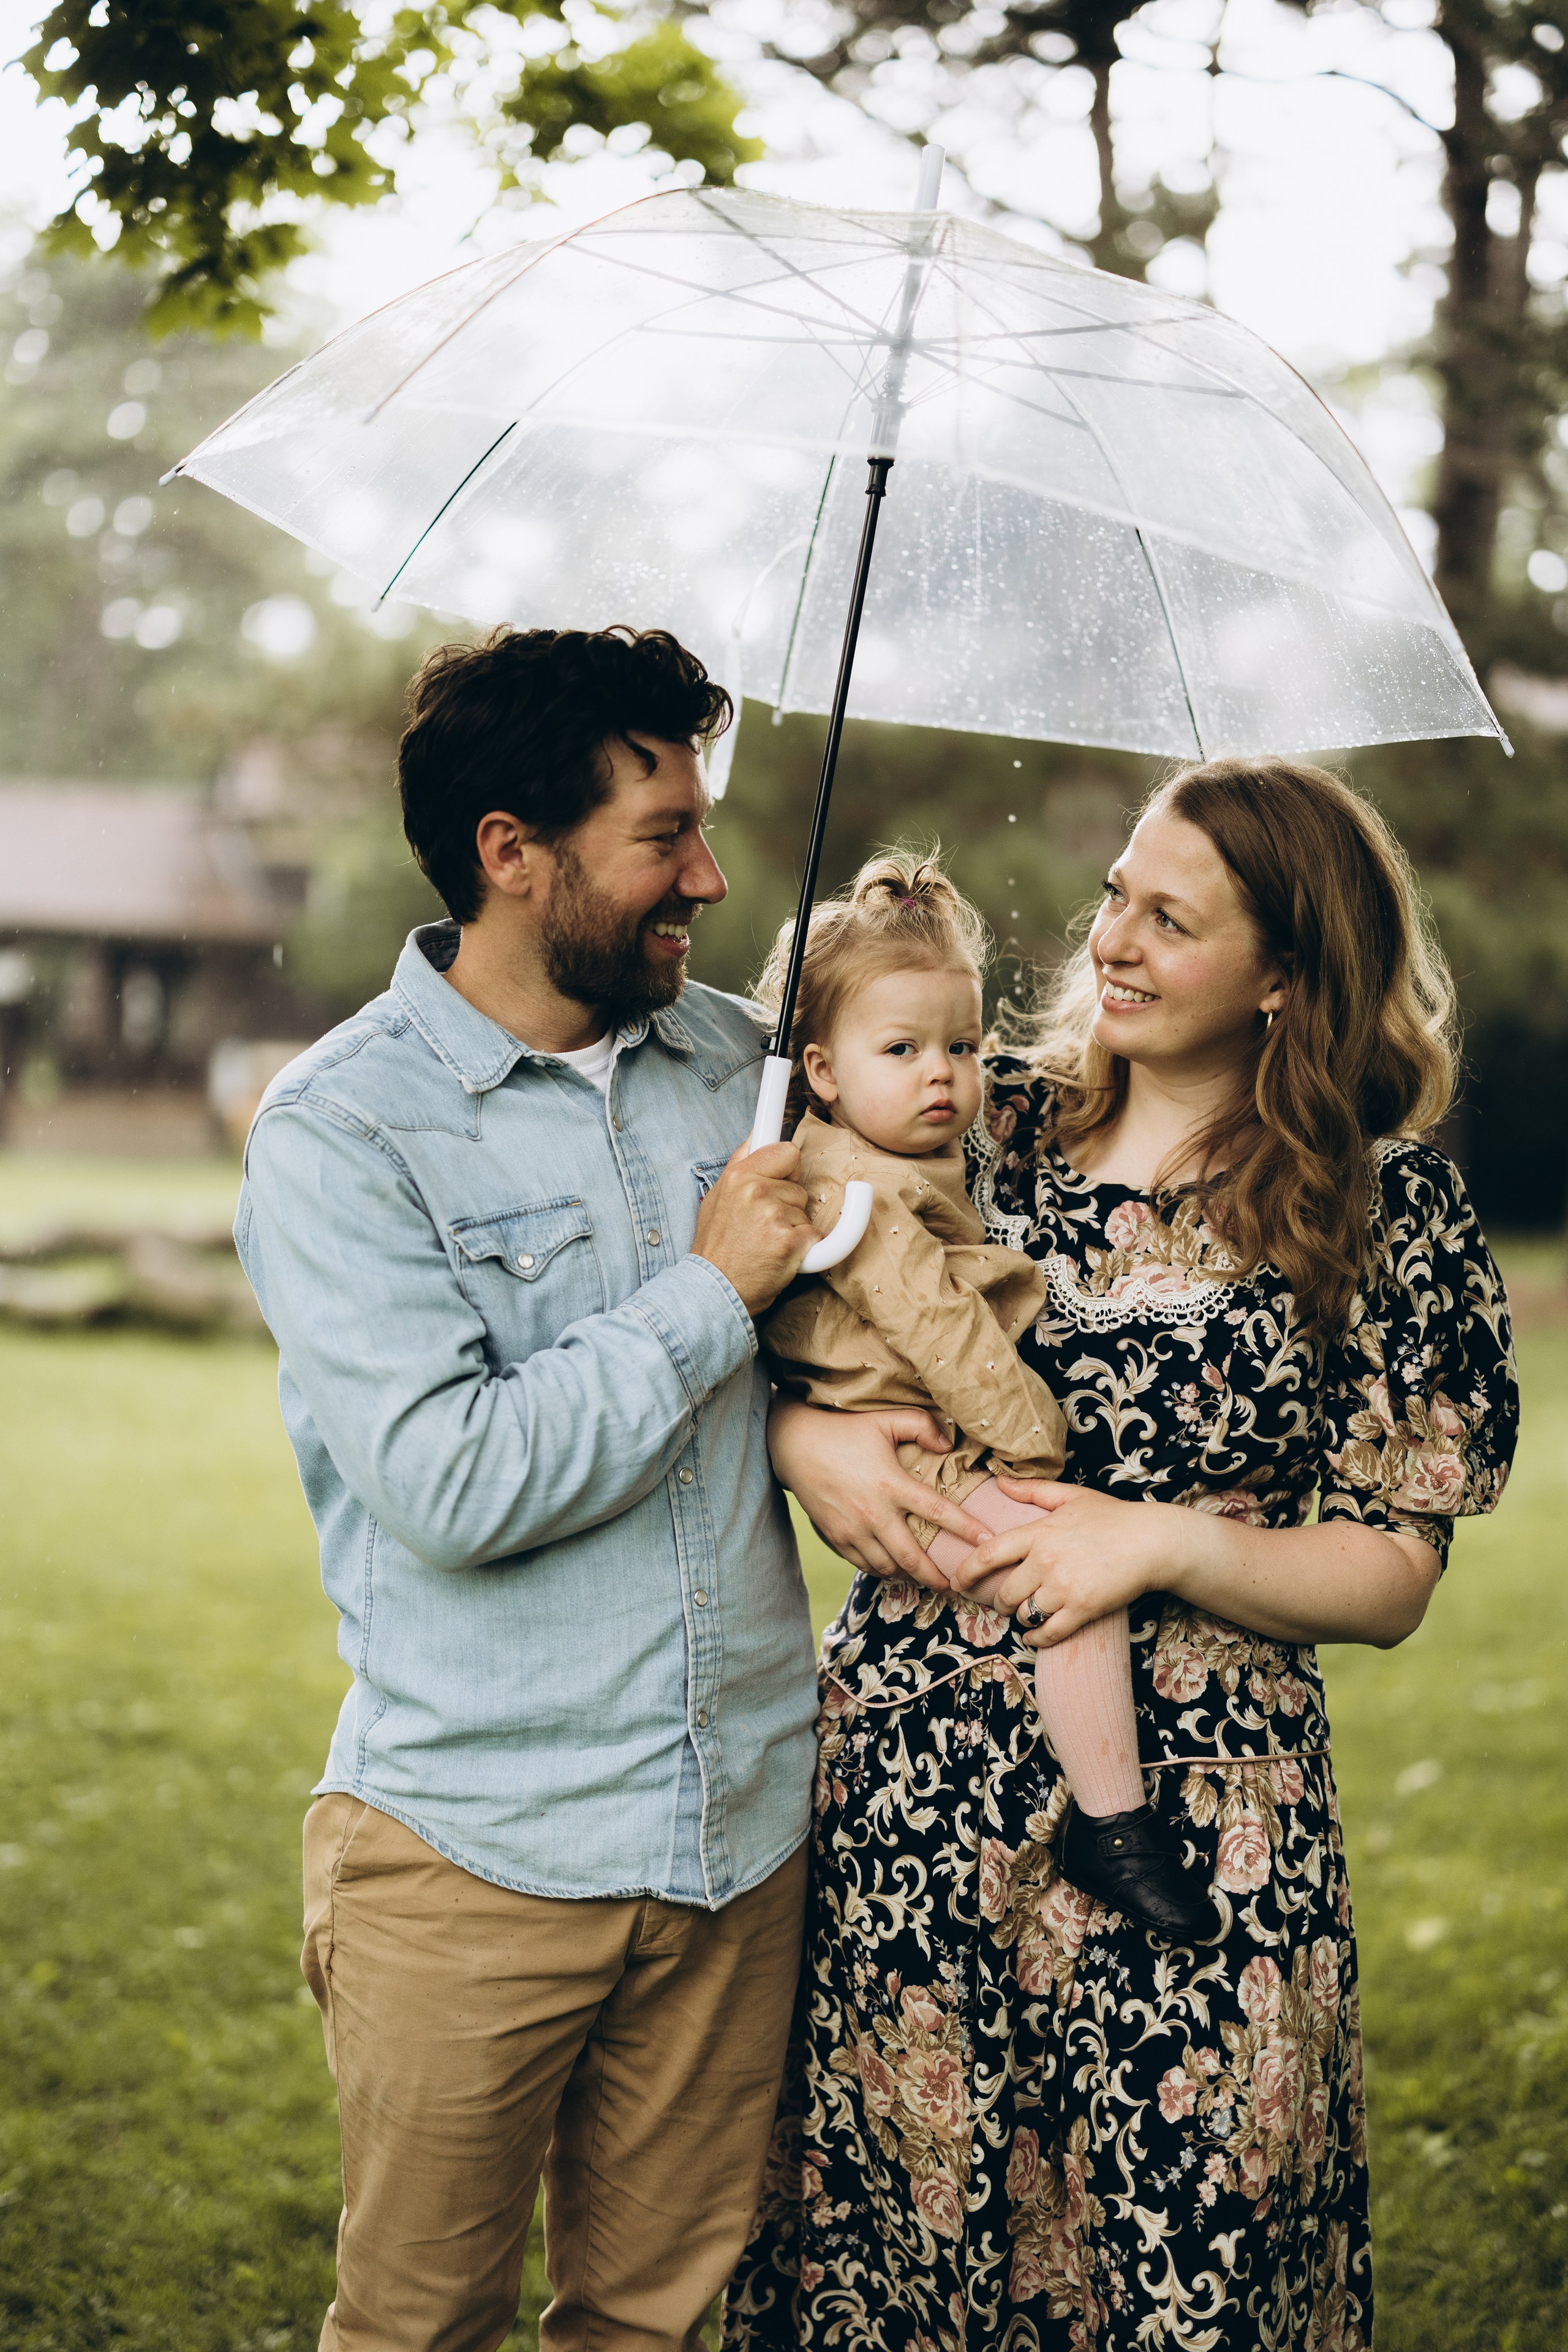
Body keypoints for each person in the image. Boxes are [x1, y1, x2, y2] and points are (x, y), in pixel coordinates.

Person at [236, 625, 984, 2352]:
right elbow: (454, 1479)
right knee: (418, 2327)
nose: (709, 879)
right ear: (513, 851)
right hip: (476, 1851)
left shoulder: (748, 1071)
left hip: (742, 1840)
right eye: (663, 837)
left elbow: (854, 1313)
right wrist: (711, 1290)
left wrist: (798, 1429)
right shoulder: (344, 1130)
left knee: (649, 2328)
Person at [727, 758, 1519, 2352]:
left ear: (1286, 974)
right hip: (916, 1799)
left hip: (1199, 1822)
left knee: (1182, 2256)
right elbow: (778, 1294)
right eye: (1114, 897)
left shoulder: (1378, 1204)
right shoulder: (977, 1117)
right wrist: (800, 1440)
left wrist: (1155, 1542)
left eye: (1173, 919)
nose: (1113, 943)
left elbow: (1391, 1572)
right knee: (910, 2256)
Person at [757, 849, 1214, 1943]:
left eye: (962, 1047)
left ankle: (1108, 1816)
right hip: (928, 1456)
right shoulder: (857, 1190)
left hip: (923, 1440)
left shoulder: (887, 1152)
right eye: (903, 1050)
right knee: (1069, 1576)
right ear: (820, 1071)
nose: (945, 1077)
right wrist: (1035, 1444)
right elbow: (942, 1330)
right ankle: (1113, 1820)